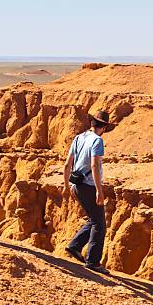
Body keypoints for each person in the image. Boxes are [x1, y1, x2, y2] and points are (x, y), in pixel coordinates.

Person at [63, 110, 115, 275]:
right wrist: (99, 190)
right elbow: (94, 166)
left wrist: (66, 185)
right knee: (100, 224)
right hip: (89, 186)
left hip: (77, 185)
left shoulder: (79, 137)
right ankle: (93, 261)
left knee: (94, 219)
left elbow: (67, 165)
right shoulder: (97, 141)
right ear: (104, 127)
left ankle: (75, 246)